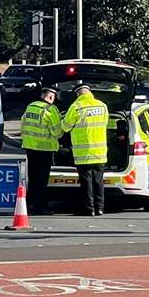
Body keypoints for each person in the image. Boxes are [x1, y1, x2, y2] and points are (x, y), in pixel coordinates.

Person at [63, 84, 109, 217]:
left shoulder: (76, 107)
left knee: (86, 182)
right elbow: (104, 123)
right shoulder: (102, 106)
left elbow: (65, 127)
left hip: (83, 153)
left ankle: (89, 209)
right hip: (100, 152)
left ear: (78, 94)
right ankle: (100, 208)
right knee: (98, 181)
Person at [19, 86, 63, 216]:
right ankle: (40, 207)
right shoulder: (50, 109)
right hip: (45, 149)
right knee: (42, 180)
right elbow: (57, 132)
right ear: (50, 96)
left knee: (33, 178)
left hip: (30, 147)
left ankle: (29, 204)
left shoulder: (31, 106)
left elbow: (23, 124)